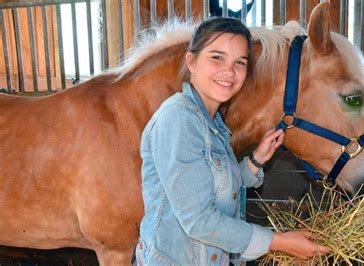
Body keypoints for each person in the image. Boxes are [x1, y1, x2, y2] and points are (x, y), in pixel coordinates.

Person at [135, 17, 329, 265]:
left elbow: (212, 187)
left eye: (240, 62)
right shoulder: (178, 119)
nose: (230, 71)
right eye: (217, 58)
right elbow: (199, 221)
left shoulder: (212, 121)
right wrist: (278, 242)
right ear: (191, 61)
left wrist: (256, 161)